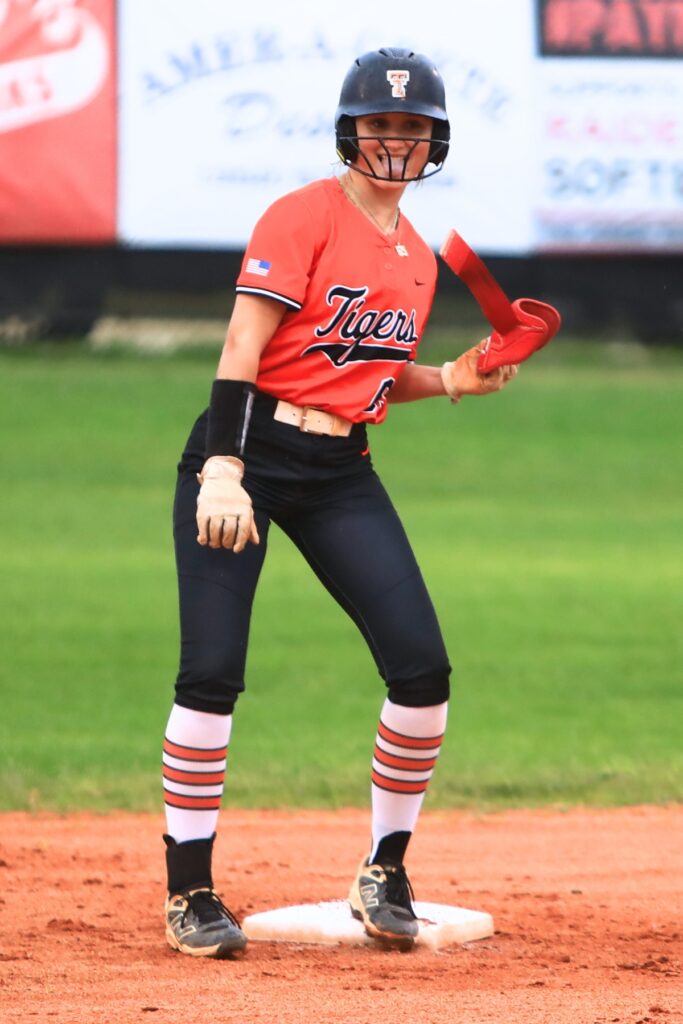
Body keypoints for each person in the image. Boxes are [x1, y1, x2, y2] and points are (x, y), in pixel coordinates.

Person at [162, 46, 516, 959]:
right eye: (379, 124)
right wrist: (224, 470)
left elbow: (366, 372)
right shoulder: (303, 214)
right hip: (246, 451)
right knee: (212, 672)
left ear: (432, 139)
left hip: (340, 468)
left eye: (411, 127)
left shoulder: (416, 255)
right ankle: (190, 892)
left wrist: (447, 377)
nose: (394, 140)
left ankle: (384, 868)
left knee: (422, 670)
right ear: (350, 133)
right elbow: (245, 343)